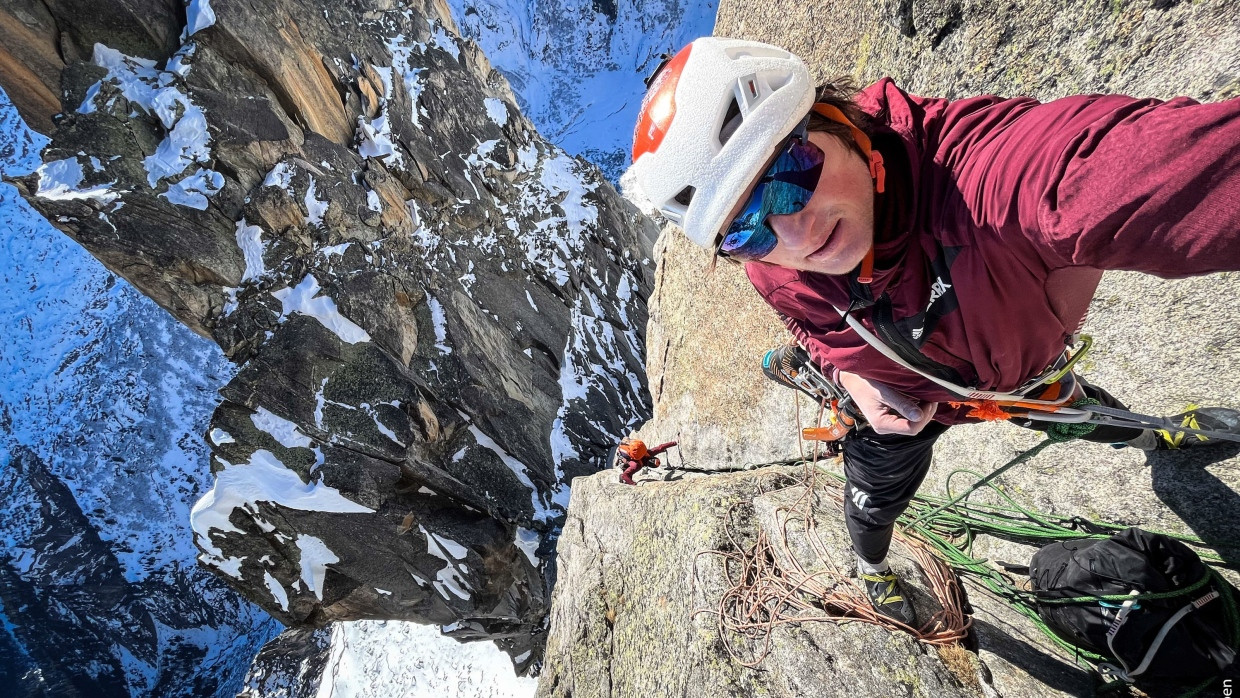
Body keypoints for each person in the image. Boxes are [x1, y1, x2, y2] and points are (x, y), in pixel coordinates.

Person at [630, 37, 1240, 625]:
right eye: (744, 230)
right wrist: (850, 375)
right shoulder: (773, 269)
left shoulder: (988, 185)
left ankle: (1155, 440)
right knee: (871, 504)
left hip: (1015, 376)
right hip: (913, 401)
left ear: (836, 117)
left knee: (1076, 409)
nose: (793, 237)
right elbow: (803, 316)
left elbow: (1130, 173)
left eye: (789, 171)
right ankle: (874, 569)